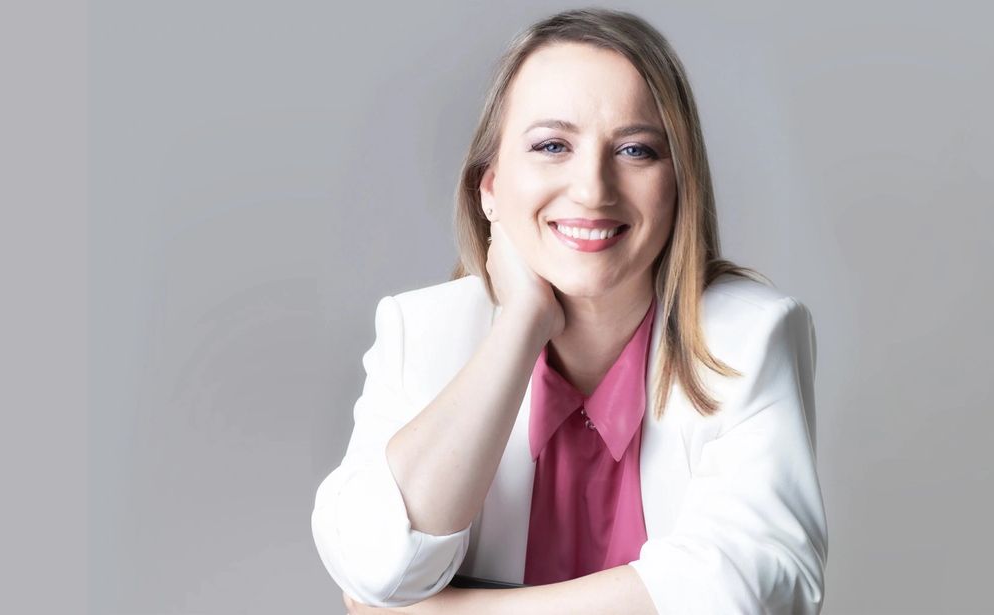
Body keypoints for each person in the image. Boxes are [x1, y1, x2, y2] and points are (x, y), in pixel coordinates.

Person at [312, 7, 828, 614]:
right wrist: (521, 324)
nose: (592, 188)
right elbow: (378, 568)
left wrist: (450, 612)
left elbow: (753, 588)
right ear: (491, 188)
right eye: (552, 145)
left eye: (635, 150)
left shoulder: (749, 335)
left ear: (679, 186)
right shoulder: (420, 331)